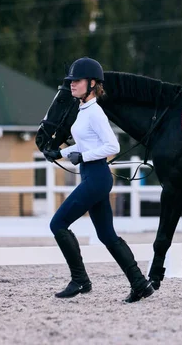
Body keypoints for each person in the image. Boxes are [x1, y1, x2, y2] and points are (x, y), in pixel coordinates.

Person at [43, 57, 154, 303]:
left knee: (58, 224)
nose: (72, 85)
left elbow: (111, 145)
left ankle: (80, 280)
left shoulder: (95, 112)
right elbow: (84, 145)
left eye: (77, 81)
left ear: (92, 84)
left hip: (97, 178)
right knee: (106, 235)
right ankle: (139, 283)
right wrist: (58, 153)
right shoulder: (83, 111)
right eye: (71, 81)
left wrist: (82, 155)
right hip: (93, 177)